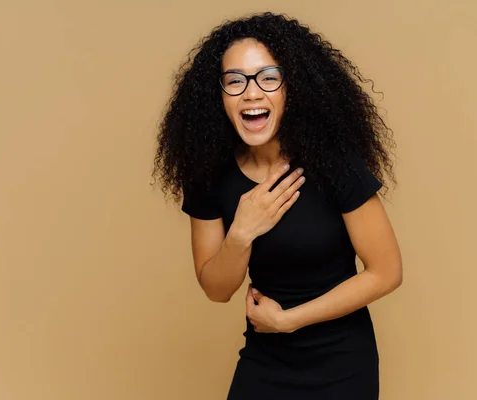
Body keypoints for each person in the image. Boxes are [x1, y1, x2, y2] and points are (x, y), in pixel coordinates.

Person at [152, 11, 403, 400]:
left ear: (292, 88)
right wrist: (242, 230)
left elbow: (386, 272)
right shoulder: (208, 173)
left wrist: (288, 320)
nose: (252, 93)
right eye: (235, 81)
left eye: (268, 78)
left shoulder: (335, 164)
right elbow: (217, 290)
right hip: (265, 359)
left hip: (341, 364)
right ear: (217, 96)